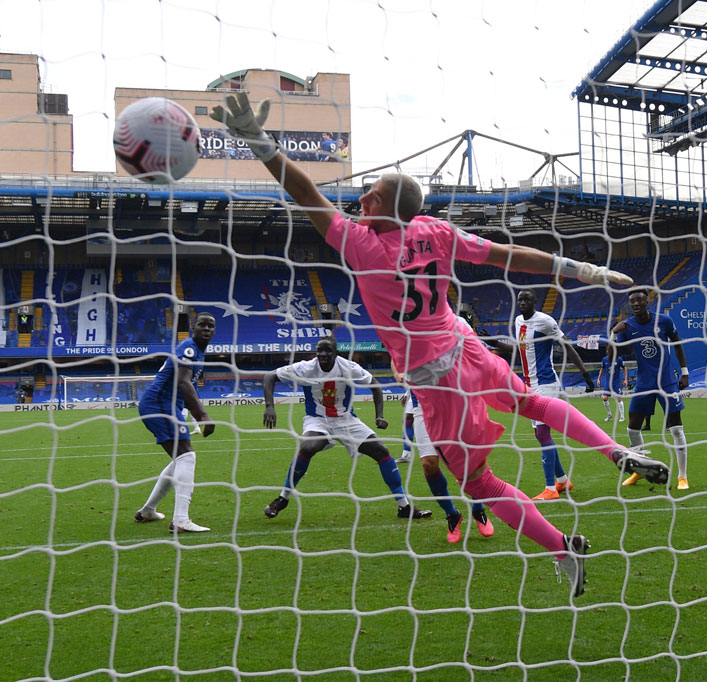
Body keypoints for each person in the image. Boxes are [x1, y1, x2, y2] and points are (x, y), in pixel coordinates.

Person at [212, 93, 668, 597]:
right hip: (466, 344)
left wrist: (259, 144)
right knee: (533, 402)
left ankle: (560, 549)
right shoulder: (439, 232)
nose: (359, 200)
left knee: (478, 485)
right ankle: (615, 451)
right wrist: (581, 270)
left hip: (436, 378)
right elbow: (508, 255)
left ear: (383, 206)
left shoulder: (361, 244)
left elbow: (306, 194)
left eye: (369, 194)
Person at [261, 336, 431, 521]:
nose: (322, 354)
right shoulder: (306, 367)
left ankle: (403, 506)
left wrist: (379, 415)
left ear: (335, 353)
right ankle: (283, 499)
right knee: (307, 447)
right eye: (320, 350)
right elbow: (270, 376)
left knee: (381, 451)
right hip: (317, 419)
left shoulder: (348, 367)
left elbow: (375, 385)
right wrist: (270, 406)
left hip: (347, 420)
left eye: (327, 351)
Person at [488, 290, 596, 500]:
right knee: (540, 435)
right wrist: (496, 343)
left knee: (543, 434)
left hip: (546, 384)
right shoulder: (519, 321)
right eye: (520, 299)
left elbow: (568, 348)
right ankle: (563, 481)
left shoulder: (546, 322)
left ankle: (550, 488)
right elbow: (521, 351)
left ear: (535, 302)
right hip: (529, 385)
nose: (523, 302)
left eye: (527, 299)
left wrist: (586, 375)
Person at [134, 312, 217, 533]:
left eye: (211, 326)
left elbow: (191, 388)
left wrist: (198, 415)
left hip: (165, 406)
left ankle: (148, 510)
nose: (207, 329)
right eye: (202, 325)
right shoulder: (188, 348)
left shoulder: (198, 353)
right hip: (160, 404)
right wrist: (204, 416)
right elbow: (183, 382)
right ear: (193, 327)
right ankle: (180, 519)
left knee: (179, 459)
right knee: (187, 456)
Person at [611, 288, 691, 491]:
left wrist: (684, 372)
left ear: (647, 301)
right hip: (644, 382)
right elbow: (613, 355)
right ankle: (640, 469)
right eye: (632, 302)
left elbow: (678, 344)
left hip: (667, 381)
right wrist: (613, 333)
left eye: (639, 300)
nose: (636, 304)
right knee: (632, 428)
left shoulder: (664, 321)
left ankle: (682, 476)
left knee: (676, 428)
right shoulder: (627, 327)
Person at [400, 387, 495, 542]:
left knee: (471, 457)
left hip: (454, 402)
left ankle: (478, 509)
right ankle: (452, 514)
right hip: (423, 406)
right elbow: (400, 366)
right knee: (428, 465)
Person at [597, 345, 626, 423]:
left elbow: (624, 368)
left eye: (608, 350)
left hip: (616, 383)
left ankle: (622, 416)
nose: (607, 351)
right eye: (607, 350)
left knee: (619, 399)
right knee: (604, 398)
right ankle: (609, 414)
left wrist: (626, 379)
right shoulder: (605, 359)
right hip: (607, 383)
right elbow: (602, 369)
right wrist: (599, 379)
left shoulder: (619, 359)